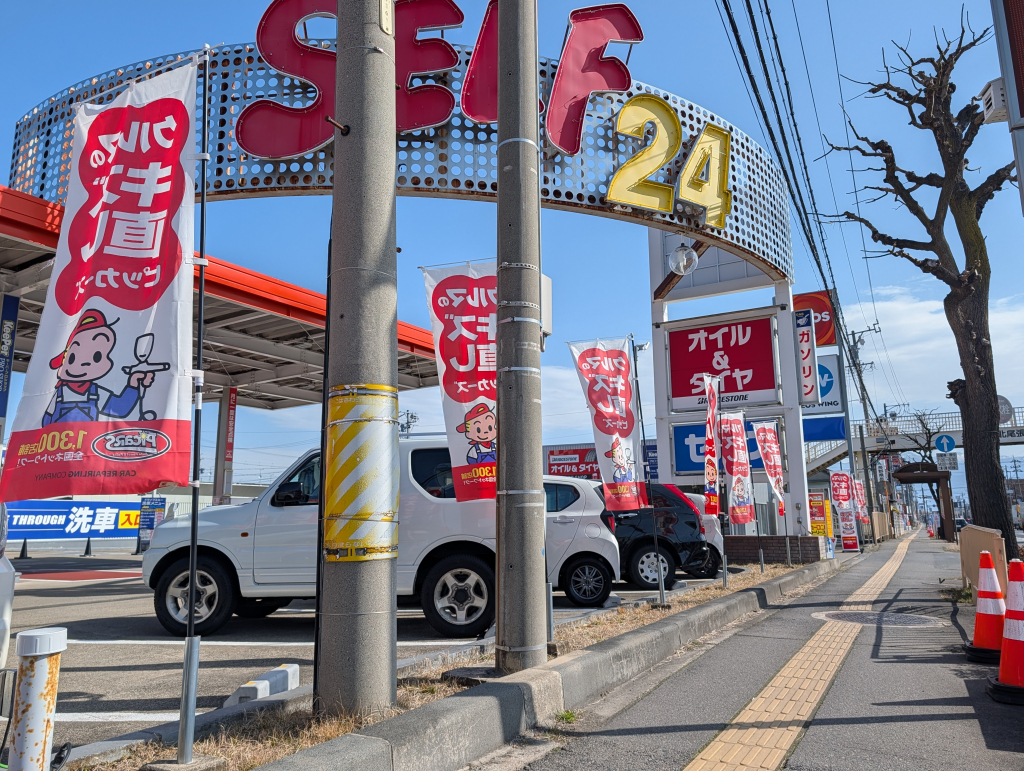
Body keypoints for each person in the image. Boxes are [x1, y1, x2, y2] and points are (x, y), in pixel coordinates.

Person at [42, 309, 156, 426]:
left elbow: (120, 409)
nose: (84, 363)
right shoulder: (59, 393)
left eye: (97, 357)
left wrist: (133, 384)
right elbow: (46, 421)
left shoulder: (95, 392)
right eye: (72, 358)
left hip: (88, 443)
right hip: (61, 442)